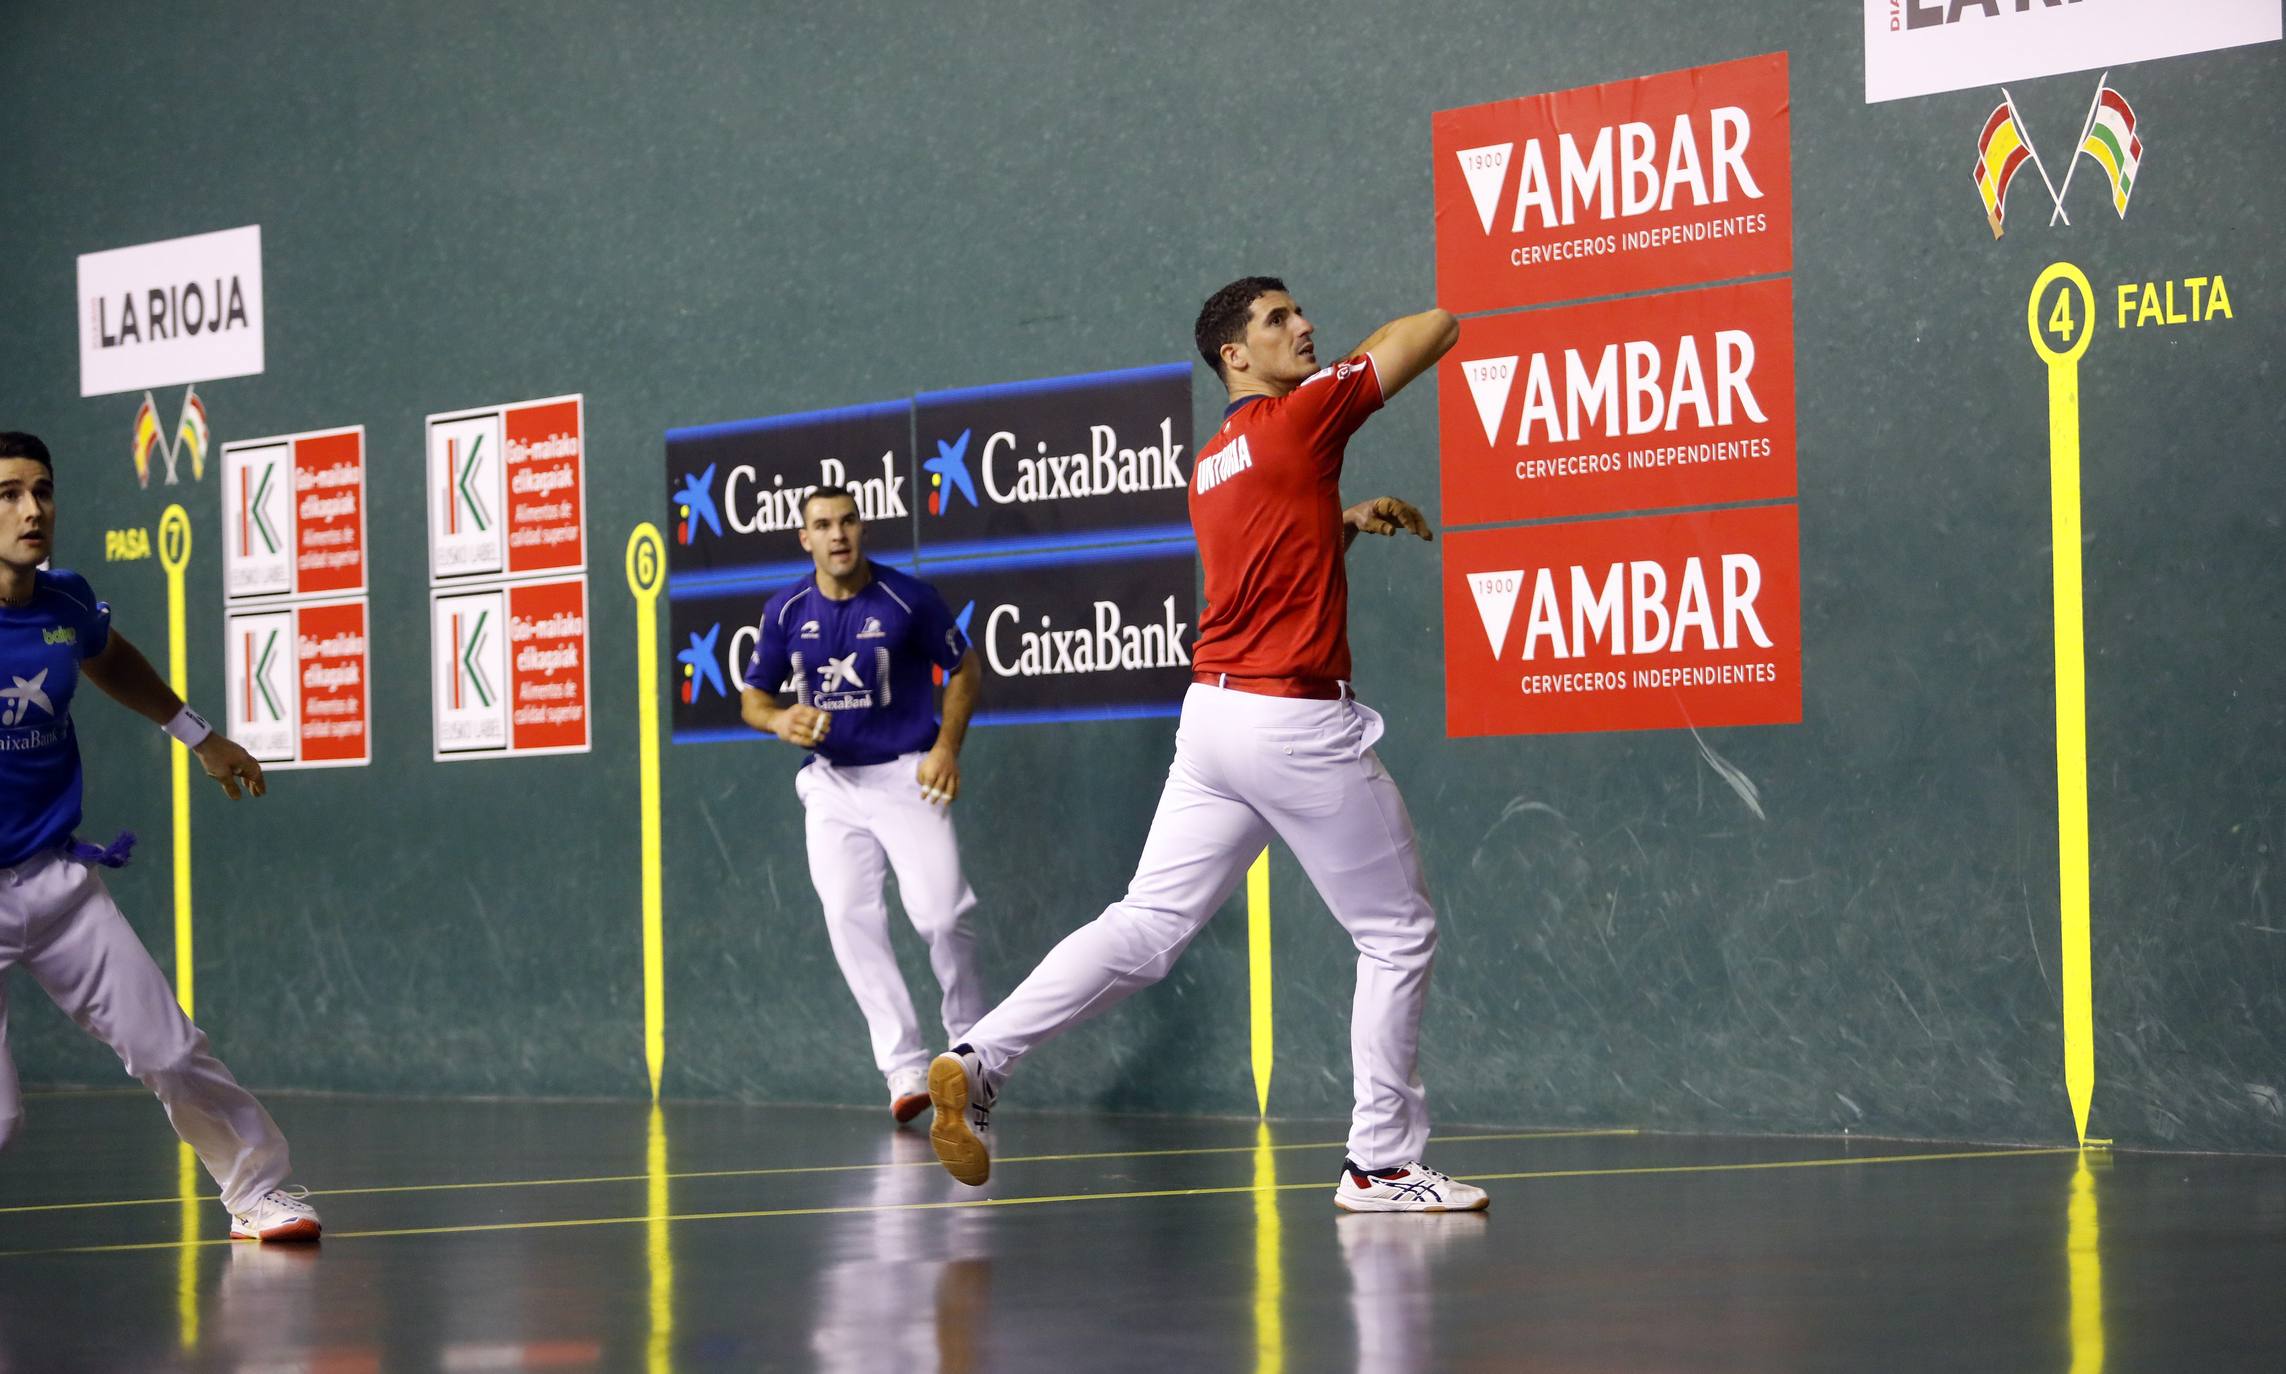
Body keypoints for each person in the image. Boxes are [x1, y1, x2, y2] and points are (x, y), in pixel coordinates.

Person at [926, 279, 1489, 1212]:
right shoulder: (1295, 422)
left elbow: (1274, 568)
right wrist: (1364, 357)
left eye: (1300, 313)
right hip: (1294, 723)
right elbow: (1433, 329)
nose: (1305, 326)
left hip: (1215, 722)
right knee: (1397, 935)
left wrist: (1341, 524)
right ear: (1235, 356)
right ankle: (1380, 1164)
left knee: (1146, 925)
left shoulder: (1217, 461)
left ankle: (979, 1057)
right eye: (1279, 320)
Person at [0, 431, 319, 1241]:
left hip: (57, 880)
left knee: (171, 1052)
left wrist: (198, 734)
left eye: (41, 489)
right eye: (6, 494)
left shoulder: (65, 601)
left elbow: (110, 658)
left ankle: (260, 1194)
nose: (32, 509)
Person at [740, 485, 986, 1123]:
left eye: (847, 520)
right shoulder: (786, 609)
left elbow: (964, 669)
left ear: (863, 527)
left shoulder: (910, 599)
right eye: (822, 525)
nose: (837, 534)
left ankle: (974, 1051)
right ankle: (904, 1068)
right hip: (831, 783)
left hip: (909, 773)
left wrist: (946, 748)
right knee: (849, 914)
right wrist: (780, 722)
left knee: (941, 915)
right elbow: (754, 698)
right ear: (806, 538)